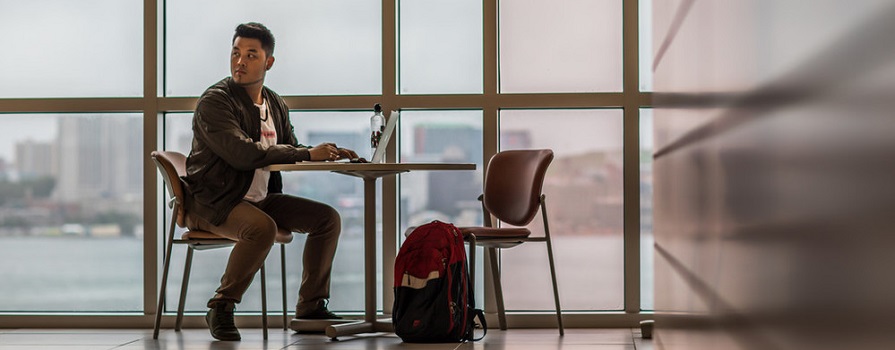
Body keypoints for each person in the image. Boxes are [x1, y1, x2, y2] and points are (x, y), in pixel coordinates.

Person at [182, 22, 358, 341]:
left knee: (327, 219)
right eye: (236, 53)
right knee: (260, 228)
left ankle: (311, 306)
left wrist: (326, 152)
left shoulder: (273, 103)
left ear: (268, 62)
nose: (240, 61)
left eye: (251, 54)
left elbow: (289, 145)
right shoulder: (215, 102)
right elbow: (242, 154)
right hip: (213, 202)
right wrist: (306, 155)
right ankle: (221, 305)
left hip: (259, 198)